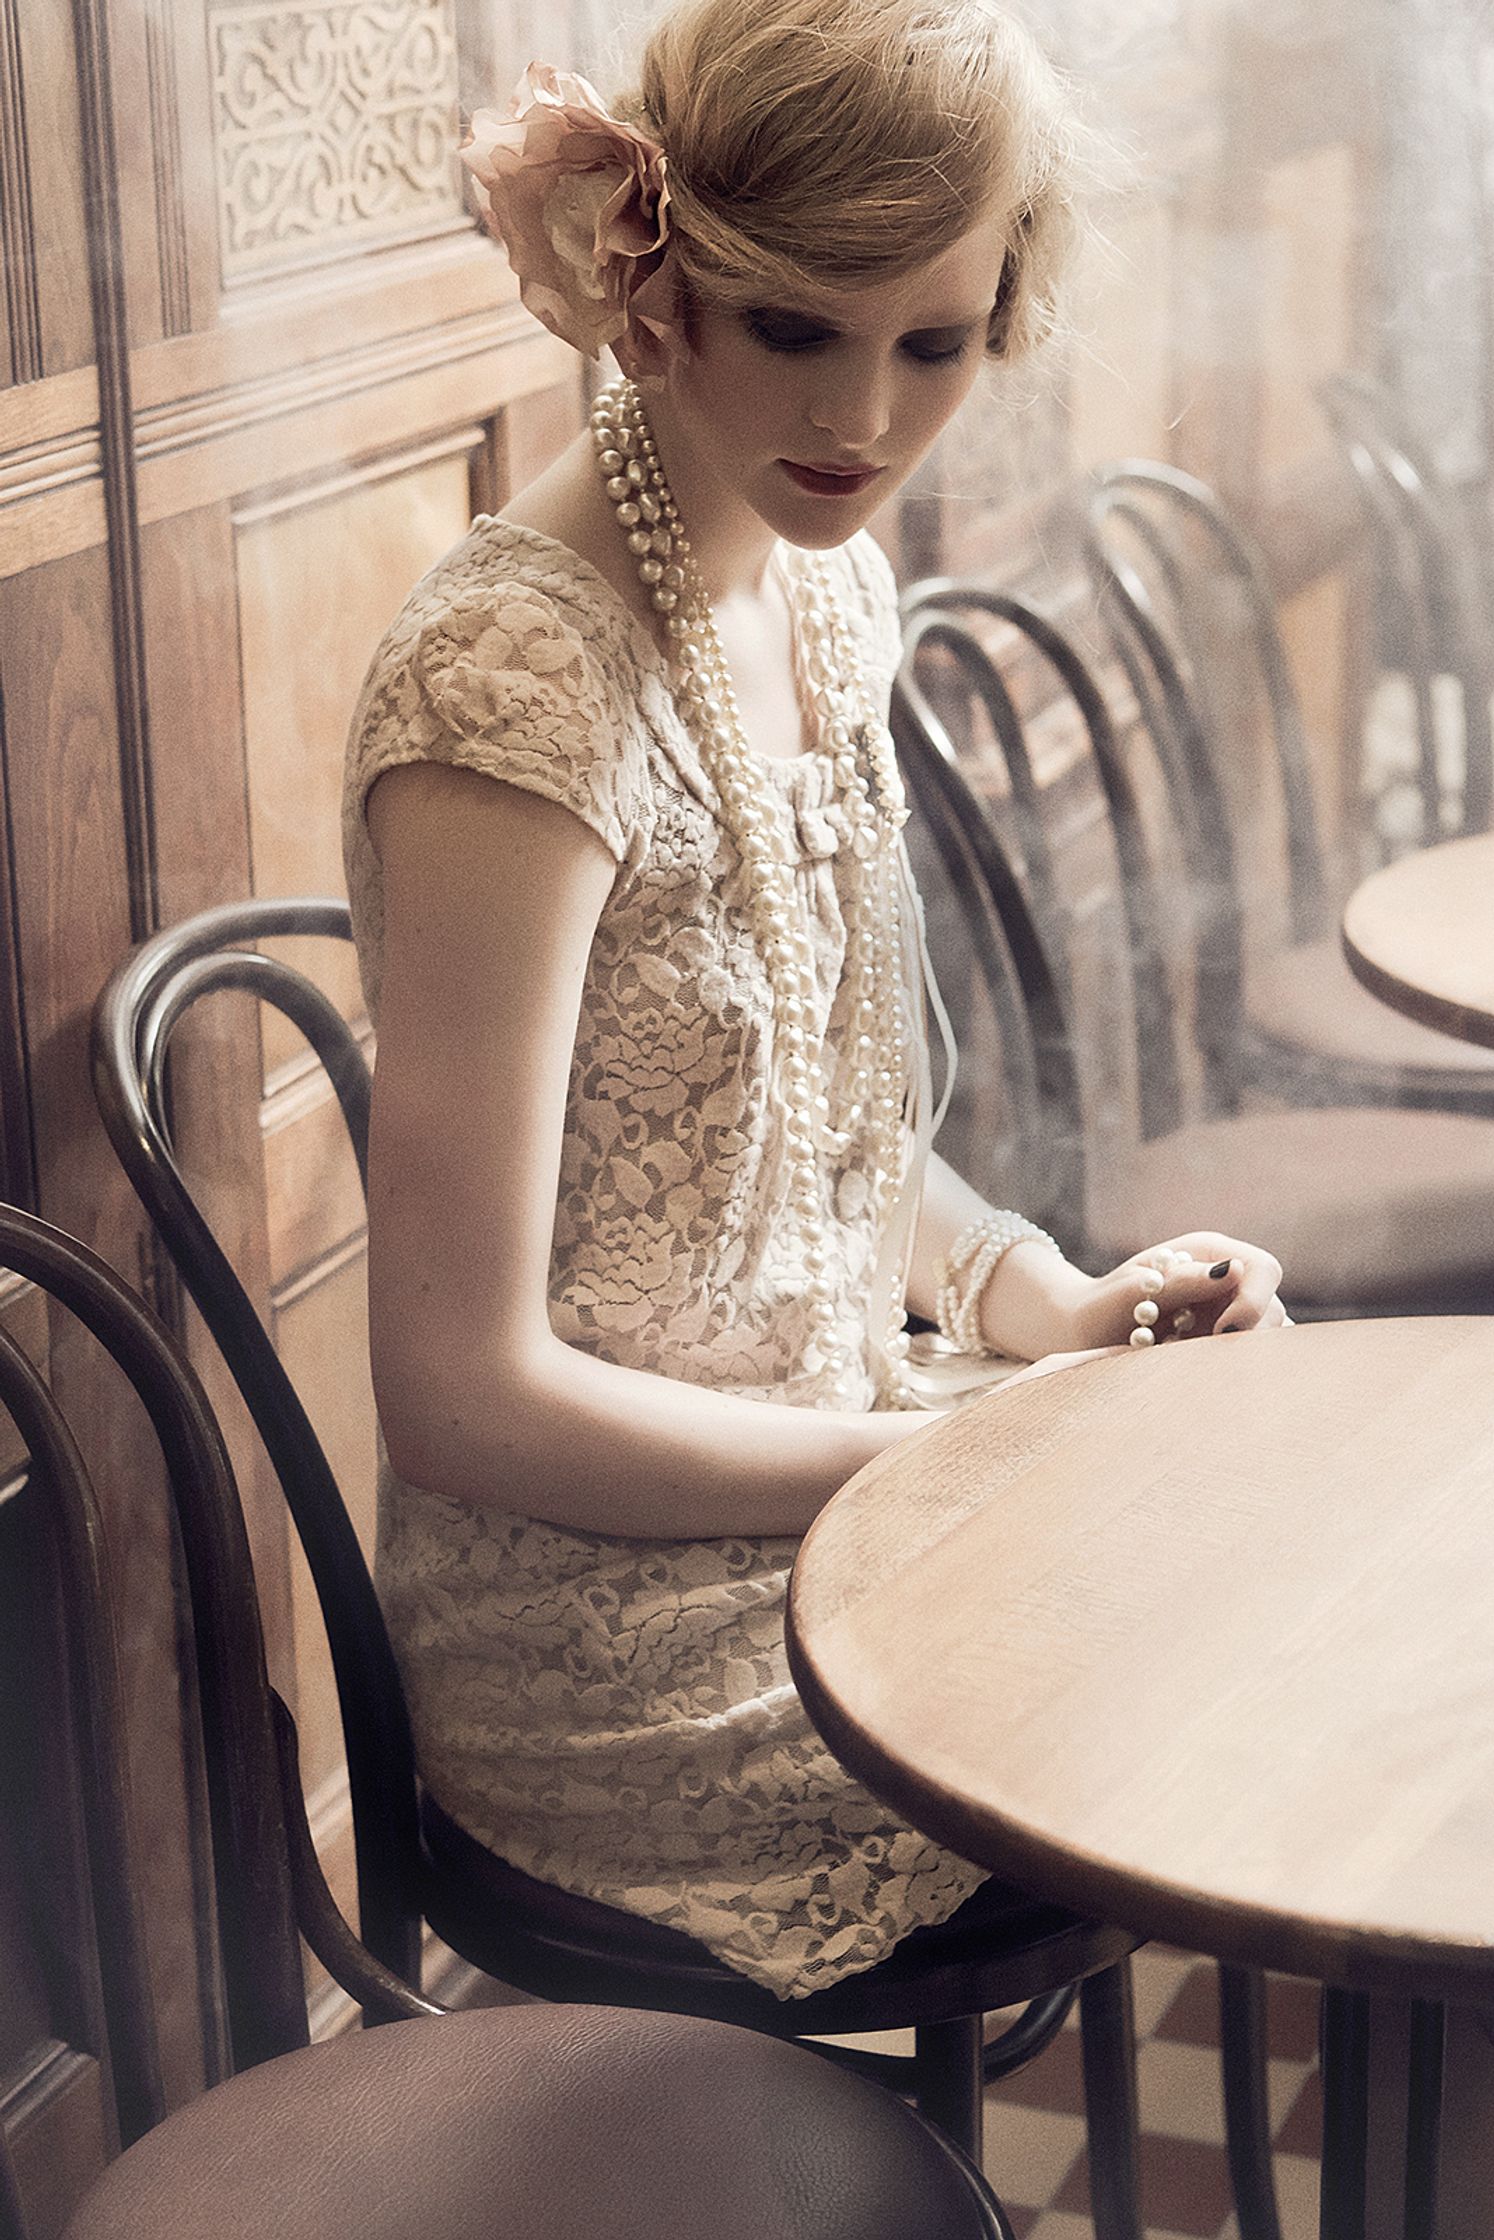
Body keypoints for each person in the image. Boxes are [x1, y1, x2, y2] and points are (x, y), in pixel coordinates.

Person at [342, 0, 1286, 2001]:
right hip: (614, 1649)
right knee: (1253, 1656)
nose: (861, 413)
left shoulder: (822, 576)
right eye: (794, 327)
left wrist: (1048, 1304)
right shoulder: (513, 686)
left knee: (1281, 1549)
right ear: (657, 282)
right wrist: (955, 1459)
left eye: (932, 343)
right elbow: (455, 1393)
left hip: (843, 1465)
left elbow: (815, 1123)